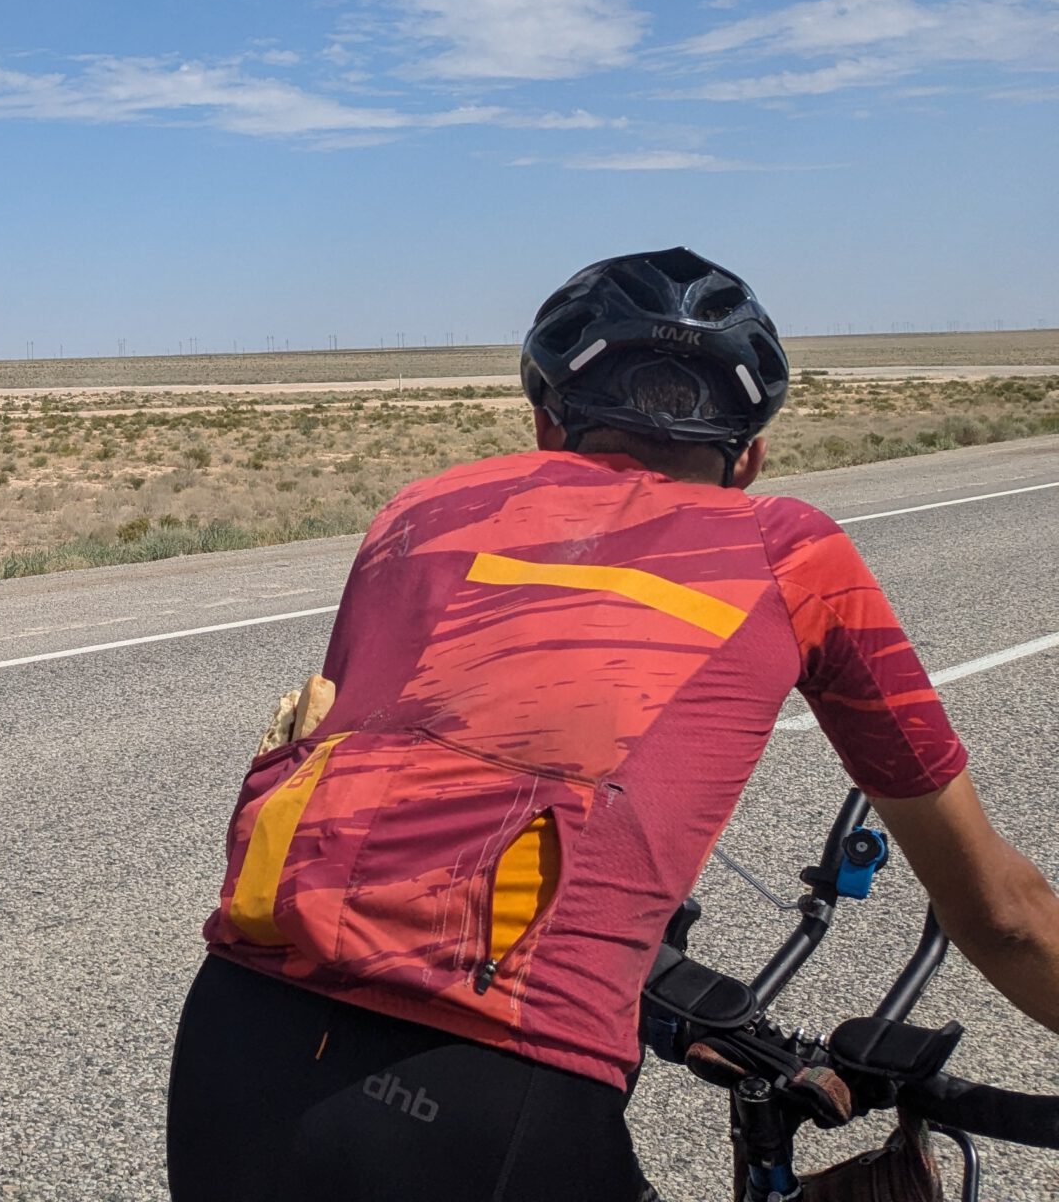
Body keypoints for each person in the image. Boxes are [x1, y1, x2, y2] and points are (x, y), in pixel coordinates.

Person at [165, 247, 1059, 1200]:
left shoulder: (418, 511)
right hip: (496, 1088)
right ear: (750, 455)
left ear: (546, 421)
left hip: (236, 1037)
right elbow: (1001, 916)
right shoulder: (790, 551)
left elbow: (417, 777)